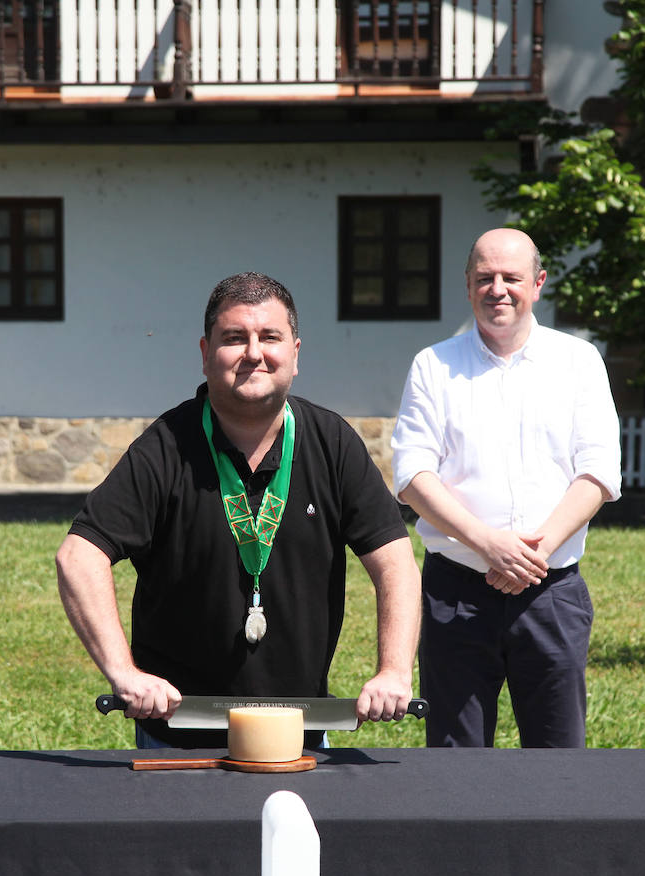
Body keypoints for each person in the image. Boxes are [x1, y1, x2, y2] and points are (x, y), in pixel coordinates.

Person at [56, 271, 420, 749]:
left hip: (299, 735)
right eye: (234, 338)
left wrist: (394, 670)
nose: (253, 353)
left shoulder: (333, 443)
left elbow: (396, 564)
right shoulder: (165, 447)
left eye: (270, 337)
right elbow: (78, 557)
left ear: (295, 353)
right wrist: (123, 673)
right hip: (178, 736)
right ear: (206, 353)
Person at [391, 228, 622, 748]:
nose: (498, 289)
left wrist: (530, 555)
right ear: (467, 285)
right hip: (457, 593)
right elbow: (412, 476)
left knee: (558, 758)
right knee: (455, 758)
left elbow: (599, 472)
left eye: (511, 277)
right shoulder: (434, 366)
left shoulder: (578, 361)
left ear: (538, 284)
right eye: (485, 278)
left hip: (551, 591)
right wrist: (489, 544)